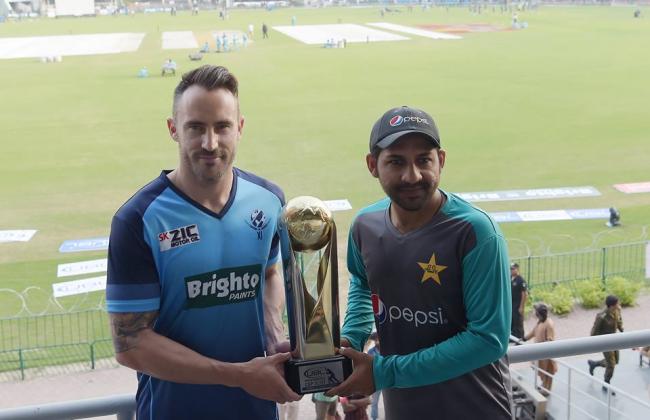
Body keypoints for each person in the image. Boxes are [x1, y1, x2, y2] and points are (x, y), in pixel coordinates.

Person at [106, 65, 300, 419]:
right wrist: (239, 376)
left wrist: (274, 331)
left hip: (256, 410)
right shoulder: (139, 219)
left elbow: (270, 273)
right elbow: (130, 344)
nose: (210, 143)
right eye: (195, 127)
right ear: (173, 129)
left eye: (222, 126)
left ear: (240, 128)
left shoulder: (269, 200)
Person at [327, 106, 512, 419]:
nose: (412, 175)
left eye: (423, 160)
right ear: (372, 165)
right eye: (396, 161)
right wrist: (351, 338)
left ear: (441, 161)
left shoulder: (475, 232)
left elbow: (487, 339)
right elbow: (363, 282)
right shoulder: (365, 226)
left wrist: (384, 372)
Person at [588, 294, 624, 394]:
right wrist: (597, 343)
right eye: (617, 304)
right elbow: (593, 333)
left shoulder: (617, 310)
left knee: (615, 361)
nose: (619, 305)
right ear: (611, 305)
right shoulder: (601, 317)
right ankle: (606, 383)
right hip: (605, 343)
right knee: (611, 364)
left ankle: (594, 364)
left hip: (614, 340)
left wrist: (622, 330)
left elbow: (619, 321)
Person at [524, 302, 557, 396]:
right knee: (542, 370)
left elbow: (550, 339)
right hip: (540, 353)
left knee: (548, 371)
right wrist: (524, 339)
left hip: (546, 353)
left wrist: (544, 347)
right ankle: (543, 385)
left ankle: (547, 389)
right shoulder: (540, 322)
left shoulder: (549, 324)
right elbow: (533, 332)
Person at [510, 262, 528, 340]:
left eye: (513, 269)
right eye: (511, 269)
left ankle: (520, 336)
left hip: (517, 303)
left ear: (517, 269)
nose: (511, 270)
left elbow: (524, 294)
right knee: (512, 320)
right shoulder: (510, 278)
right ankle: (513, 336)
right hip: (511, 303)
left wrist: (521, 307)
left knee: (518, 320)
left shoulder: (521, 280)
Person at [366, 332, 381, 420]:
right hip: (377, 380)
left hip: (389, 378)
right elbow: (369, 367)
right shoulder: (370, 352)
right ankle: (374, 417)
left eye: (378, 339)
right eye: (375, 339)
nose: (377, 341)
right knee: (374, 401)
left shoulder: (387, 350)